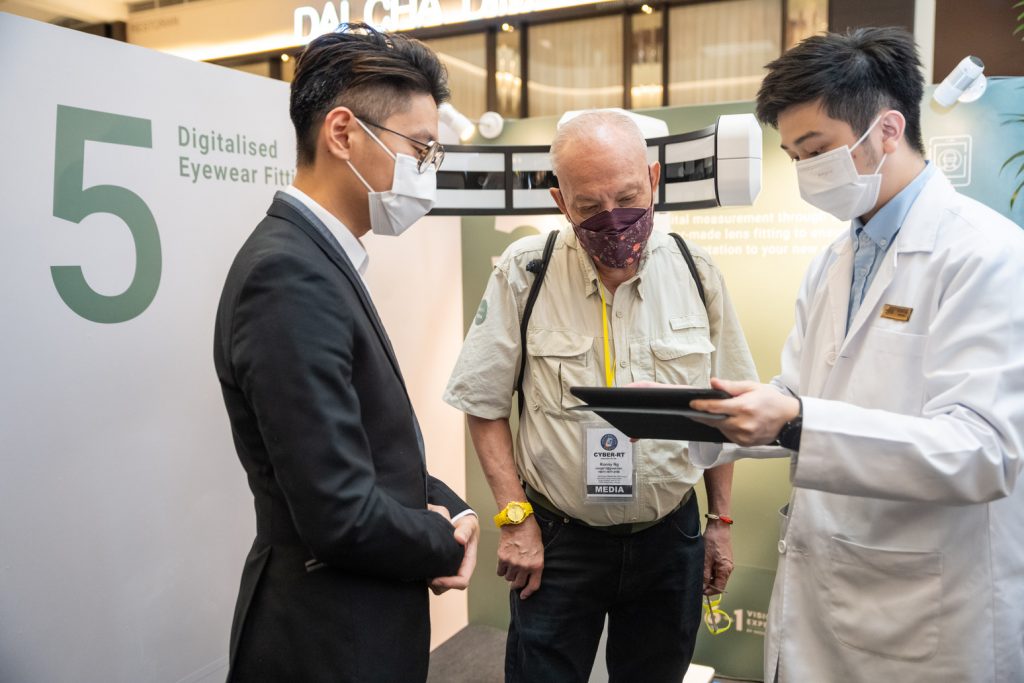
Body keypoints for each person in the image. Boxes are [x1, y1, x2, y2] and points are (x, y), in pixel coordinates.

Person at [680, 27, 1024, 682]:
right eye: (794, 156)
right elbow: (802, 394)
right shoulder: (835, 260)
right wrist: (708, 417)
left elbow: (983, 451)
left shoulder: (986, 255)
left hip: (929, 606)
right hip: (831, 585)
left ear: (888, 130)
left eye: (817, 151)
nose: (807, 173)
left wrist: (796, 420)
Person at [444, 110, 758, 683]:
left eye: (629, 196)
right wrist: (514, 519)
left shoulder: (696, 271)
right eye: (589, 205)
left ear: (654, 179)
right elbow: (483, 404)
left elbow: (723, 410)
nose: (613, 219)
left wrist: (721, 520)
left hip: (670, 537)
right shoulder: (525, 271)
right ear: (560, 201)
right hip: (559, 538)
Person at [213, 25, 478, 683]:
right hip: (328, 637)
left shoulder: (317, 259)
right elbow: (339, 510)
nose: (426, 169)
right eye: (420, 148)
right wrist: (443, 540)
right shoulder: (288, 275)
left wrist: (452, 504)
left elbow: (365, 446)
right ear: (342, 133)